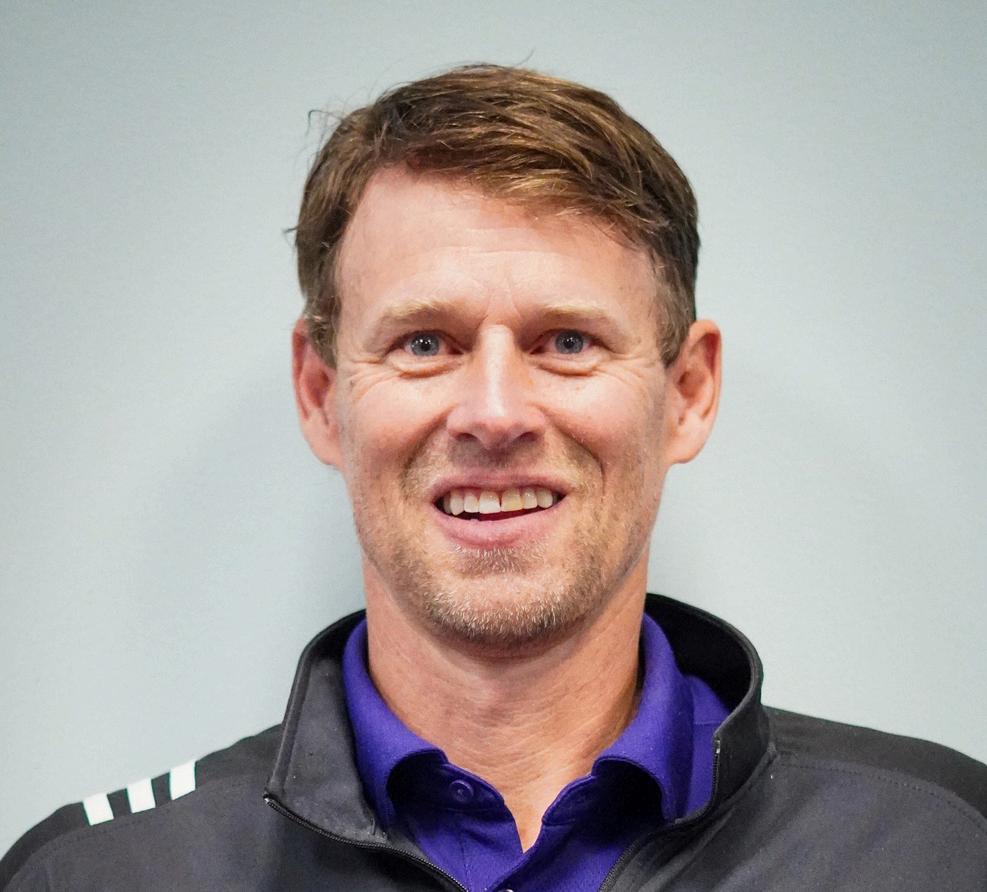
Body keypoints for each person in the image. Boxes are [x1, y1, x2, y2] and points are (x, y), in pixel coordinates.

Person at [2, 63, 985, 892]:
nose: (496, 412)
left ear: (686, 393)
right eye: (425, 342)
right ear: (320, 393)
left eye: (568, 341)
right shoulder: (101, 874)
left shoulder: (938, 848)